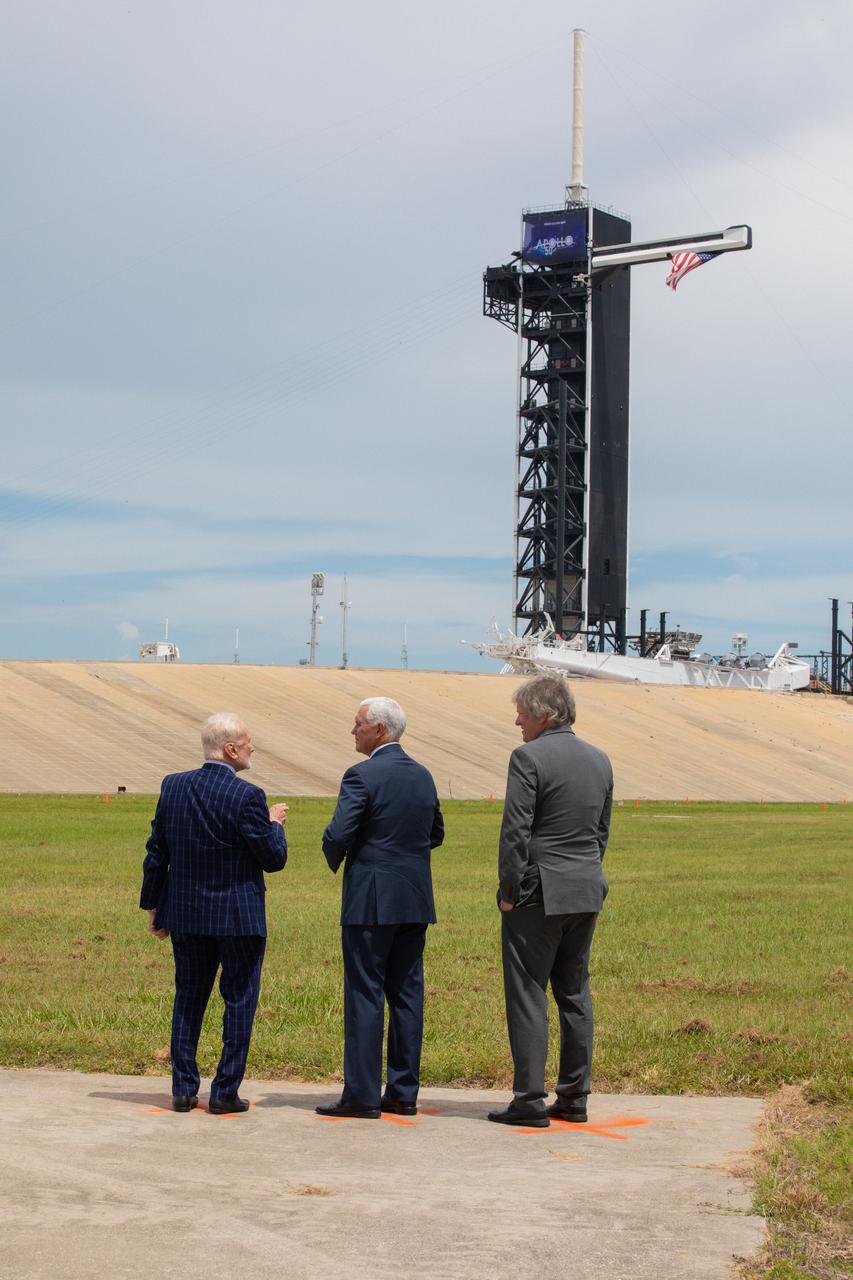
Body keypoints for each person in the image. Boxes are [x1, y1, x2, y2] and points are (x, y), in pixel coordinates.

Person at [140, 713, 288, 1114]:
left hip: (186, 914)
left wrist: (153, 906)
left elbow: (157, 853)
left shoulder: (172, 786)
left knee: (188, 999)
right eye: (248, 740)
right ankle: (225, 1092)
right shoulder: (248, 797)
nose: (253, 747)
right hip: (238, 918)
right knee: (239, 1001)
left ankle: (183, 1088)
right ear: (231, 749)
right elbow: (273, 859)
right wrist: (274, 825)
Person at [488, 675, 612, 1129]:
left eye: (522, 712)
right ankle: (575, 1096)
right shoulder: (600, 759)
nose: (517, 720)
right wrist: (585, 874)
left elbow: (515, 831)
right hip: (586, 888)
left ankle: (528, 1098)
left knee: (527, 994)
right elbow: (601, 831)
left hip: (539, 891)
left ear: (543, 714)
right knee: (575, 993)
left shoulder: (528, 757)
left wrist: (509, 892)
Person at [316, 697, 444, 1119]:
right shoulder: (423, 776)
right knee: (407, 995)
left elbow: (339, 833)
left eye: (357, 724)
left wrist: (339, 853)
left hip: (369, 900)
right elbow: (436, 833)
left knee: (365, 994)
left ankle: (361, 1094)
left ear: (380, 730)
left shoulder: (361, 775)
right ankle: (403, 1091)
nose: (352, 731)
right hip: (414, 898)